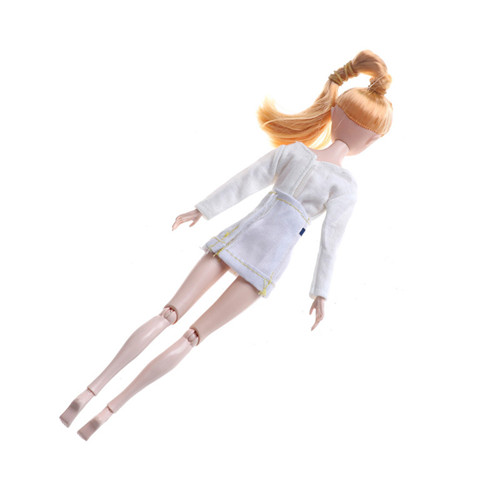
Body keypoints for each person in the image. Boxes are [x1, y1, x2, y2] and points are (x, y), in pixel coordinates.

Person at [59, 49, 393, 440]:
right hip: (267, 262)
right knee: (191, 337)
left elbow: (246, 182)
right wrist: (320, 293)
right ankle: (108, 412)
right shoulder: (344, 185)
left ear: (334, 114)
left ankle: (90, 392)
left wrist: (202, 210)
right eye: (373, 136)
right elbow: (329, 243)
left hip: (240, 237)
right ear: (370, 140)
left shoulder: (293, 153)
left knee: (168, 314)